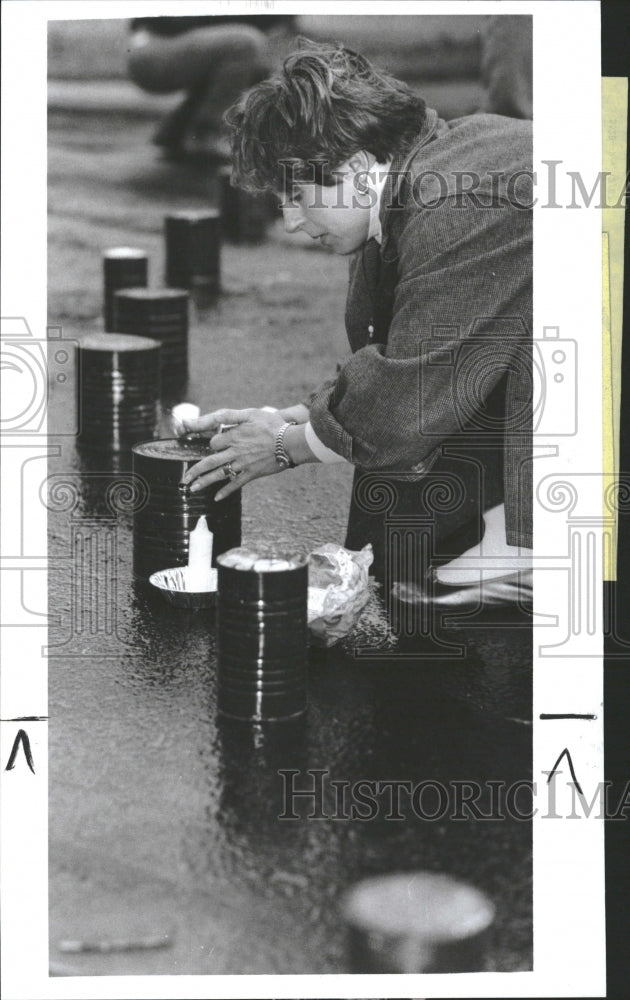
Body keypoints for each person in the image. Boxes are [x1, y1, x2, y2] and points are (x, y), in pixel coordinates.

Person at [182, 40, 533, 610]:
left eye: (297, 194)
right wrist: (295, 418)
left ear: (356, 170)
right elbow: (405, 351)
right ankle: (509, 520)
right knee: (396, 547)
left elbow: (412, 394)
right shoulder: (419, 175)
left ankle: (536, 534)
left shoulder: (459, 203)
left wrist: (283, 446)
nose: (292, 221)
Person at [127, 14, 296, 160]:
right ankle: (206, 135)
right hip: (153, 46)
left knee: (259, 66)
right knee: (244, 44)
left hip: (164, 43)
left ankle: (177, 131)